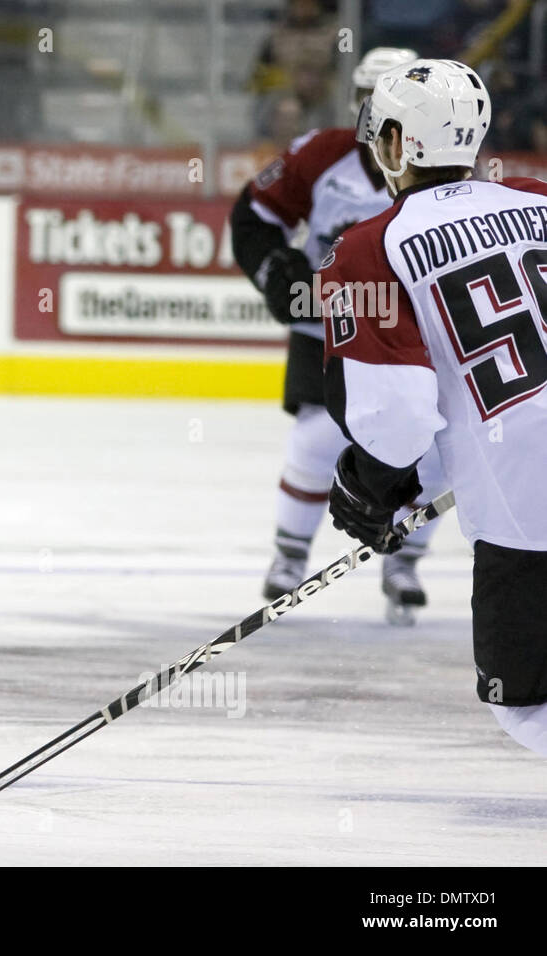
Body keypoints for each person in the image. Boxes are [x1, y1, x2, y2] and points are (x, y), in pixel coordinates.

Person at [323, 58, 547, 757]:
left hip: (527, 517)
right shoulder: (541, 200)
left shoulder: (369, 248)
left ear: (396, 144)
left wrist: (367, 488)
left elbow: (394, 418)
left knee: (529, 706)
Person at [231, 46, 447, 625]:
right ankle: (290, 555)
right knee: (314, 439)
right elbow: (253, 217)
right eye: (367, 101)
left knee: (429, 450)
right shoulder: (321, 155)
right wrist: (276, 269)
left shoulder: (444, 171)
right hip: (324, 328)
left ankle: (402, 559)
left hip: (408, 336)